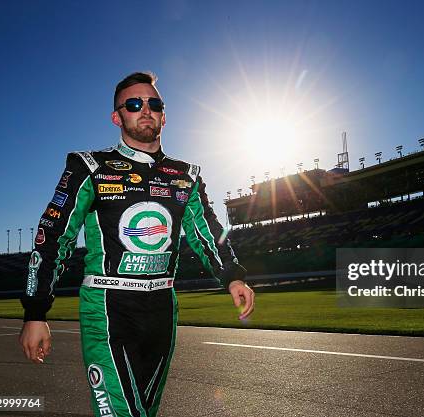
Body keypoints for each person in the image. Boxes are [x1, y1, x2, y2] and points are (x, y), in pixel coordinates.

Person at [19, 71, 254, 417]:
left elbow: (206, 232)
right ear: (117, 116)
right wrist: (35, 312)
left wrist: (232, 276)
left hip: (163, 308)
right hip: (108, 306)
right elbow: (53, 237)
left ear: (164, 114)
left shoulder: (186, 175)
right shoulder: (88, 167)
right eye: (133, 104)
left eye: (153, 103)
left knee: (144, 411)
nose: (145, 110)